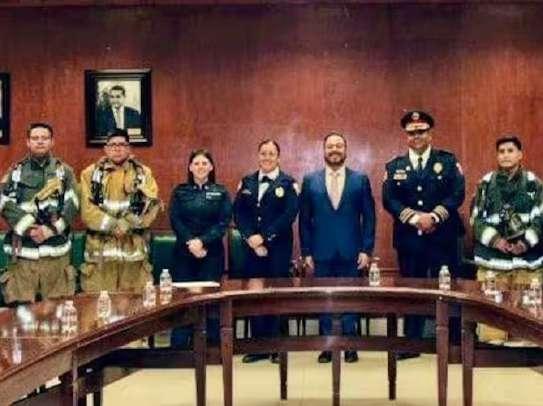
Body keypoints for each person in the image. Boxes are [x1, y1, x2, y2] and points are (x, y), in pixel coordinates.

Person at [382, 111, 465, 359]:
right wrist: (416, 218)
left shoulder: (448, 161)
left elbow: (457, 194)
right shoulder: (394, 166)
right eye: (411, 132)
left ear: (430, 134)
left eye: (421, 131)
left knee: (447, 288)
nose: (416, 136)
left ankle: (453, 343)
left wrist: (434, 216)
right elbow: (389, 199)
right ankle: (412, 344)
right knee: (412, 289)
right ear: (406, 136)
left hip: (443, 237)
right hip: (409, 238)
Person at [299, 131, 376, 364]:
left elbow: (369, 217)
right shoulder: (310, 180)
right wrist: (306, 252)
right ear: (323, 150)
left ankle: (350, 345)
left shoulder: (360, 179)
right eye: (330, 146)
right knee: (324, 298)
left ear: (345, 150)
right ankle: (327, 345)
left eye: (339, 146)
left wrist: (367, 249)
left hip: (351, 250)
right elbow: (304, 220)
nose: (334, 150)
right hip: (320, 251)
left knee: (350, 297)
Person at [470, 135, 543, 344]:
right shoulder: (485, 183)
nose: (505, 155)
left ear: (520, 155)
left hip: (527, 262)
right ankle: (493, 350)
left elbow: (540, 219)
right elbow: (476, 220)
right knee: (491, 326)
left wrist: (524, 243)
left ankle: (525, 349)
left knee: (528, 326)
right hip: (493, 262)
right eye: (501, 152)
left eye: (510, 151)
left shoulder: (534, 183)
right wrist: (496, 241)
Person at [233, 139, 299, 363]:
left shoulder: (288, 183)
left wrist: (264, 238)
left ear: (278, 157)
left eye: (271, 153)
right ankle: (258, 346)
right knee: (256, 295)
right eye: (263, 153)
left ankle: (279, 347)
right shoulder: (247, 182)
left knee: (278, 295)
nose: (267, 157)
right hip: (252, 248)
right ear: (258, 156)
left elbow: (289, 215)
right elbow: (238, 213)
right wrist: (250, 237)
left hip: (278, 248)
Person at [0, 123, 79, 303]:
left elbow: (73, 203)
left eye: (44, 138)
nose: (40, 142)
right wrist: (29, 229)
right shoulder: (16, 171)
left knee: (57, 312)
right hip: (23, 256)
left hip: (56, 255)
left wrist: (50, 230)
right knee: (21, 313)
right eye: (35, 138)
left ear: (52, 142)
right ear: (28, 142)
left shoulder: (64, 171)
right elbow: (4, 202)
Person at [80, 128, 161, 293]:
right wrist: (112, 225)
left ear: (129, 148)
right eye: (113, 145)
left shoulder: (143, 174)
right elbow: (87, 210)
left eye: (122, 145)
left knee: (136, 304)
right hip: (100, 255)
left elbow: (150, 207)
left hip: (133, 253)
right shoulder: (90, 174)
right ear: (106, 149)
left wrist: (126, 223)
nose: (117, 148)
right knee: (98, 304)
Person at [169, 149, 232, 348]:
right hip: (184, 253)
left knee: (210, 300)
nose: (200, 167)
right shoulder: (180, 191)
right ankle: (179, 347)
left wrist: (202, 242)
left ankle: (212, 347)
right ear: (190, 167)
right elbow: (175, 219)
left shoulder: (221, 192)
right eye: (196, 163)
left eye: (205, 163)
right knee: (183, 300)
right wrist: (191, 242)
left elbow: (223, 223)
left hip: (211, 253)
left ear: (211, 167)